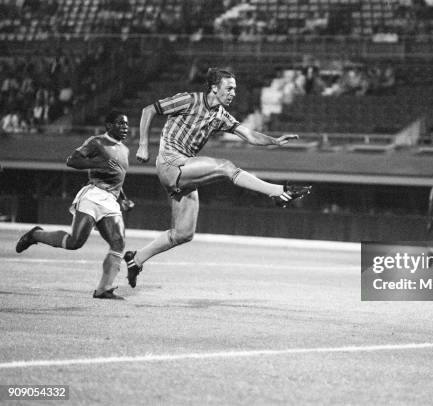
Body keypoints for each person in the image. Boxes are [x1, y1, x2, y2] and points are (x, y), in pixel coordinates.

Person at [124, 68, 312, 288]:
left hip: (186, 170)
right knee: (225, 167)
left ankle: (136, 259)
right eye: (229, 88)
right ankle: (278, 192)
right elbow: (149, 110)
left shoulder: (221, 115)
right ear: (214, 87)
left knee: (183, 234)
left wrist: (275, 141)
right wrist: (144, 145)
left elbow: (249, 135)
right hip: (170, 163)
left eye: (235, 89)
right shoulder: (188, 100)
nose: (233, 93)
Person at [15, 111, 133, 300]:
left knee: (118, 242)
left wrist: (123, 198)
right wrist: (96, 163)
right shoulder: (97, 142)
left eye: (127, 124)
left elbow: (117, 176)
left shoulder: (125, 150)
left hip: (111, 200)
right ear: (109, 125)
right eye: (120, 123)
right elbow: (72, 160)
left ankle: (104, 289)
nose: (125, 127)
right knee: (74, 242)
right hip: (93, 195)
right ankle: (35, 234)